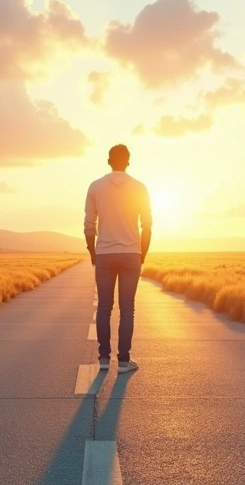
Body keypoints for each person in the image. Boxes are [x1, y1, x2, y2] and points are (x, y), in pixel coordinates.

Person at [84, 144, 152, 374]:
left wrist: (93, 253)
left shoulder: (95, 186)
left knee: (104, 307)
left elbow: (89, 224)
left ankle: (104, 358)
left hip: (104, 253)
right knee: (127, 308)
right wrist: (142, 254)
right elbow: (147, 225)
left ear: (108, 161)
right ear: (128, 161)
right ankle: (124, 361)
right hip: (131, 253)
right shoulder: (139, 187)